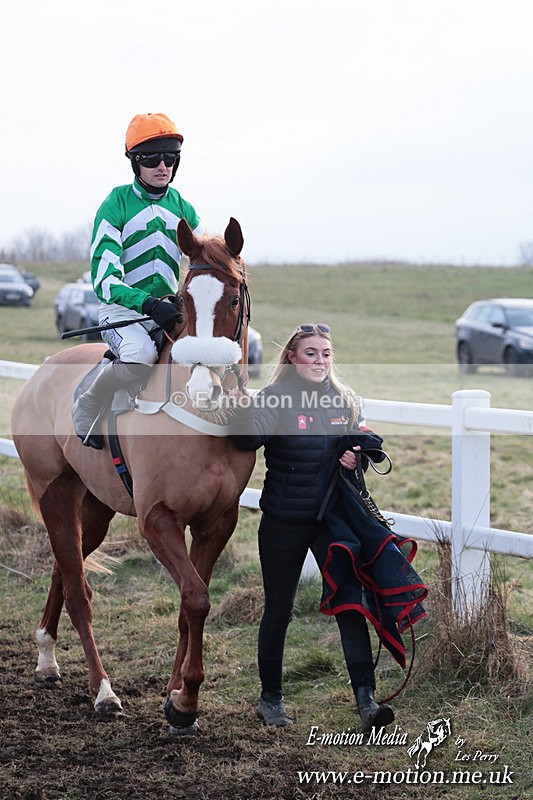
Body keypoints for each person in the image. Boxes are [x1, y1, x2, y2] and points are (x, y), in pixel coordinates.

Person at [229, 323, 398, 732]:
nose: (320, 360)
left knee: (350, 604)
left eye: (325, 353)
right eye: (311, 353)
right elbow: (247, 440)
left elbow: (356, 445)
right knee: (279, 611)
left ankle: (367, 701)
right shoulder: (275, 397)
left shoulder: (343, 399)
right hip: (283, 523)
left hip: (331, 522)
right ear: (292, 357)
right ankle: (270, 699)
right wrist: (239, 408)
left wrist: (356, 458)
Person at [72, 112, 203, 449]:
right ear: (134, 162)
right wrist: (147, 303)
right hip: (122, 313)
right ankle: (88, 400)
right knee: (141, 354)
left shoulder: (183, 208)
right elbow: (105, 281)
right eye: (151, 159)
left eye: (170, 158)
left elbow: (205, 259)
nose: (162, 166)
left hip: (168, 312)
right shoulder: (115, 204)